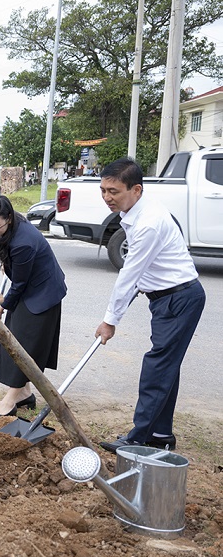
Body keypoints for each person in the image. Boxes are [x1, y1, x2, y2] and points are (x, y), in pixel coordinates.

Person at [95, 158, 205, 453]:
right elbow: (140, 274)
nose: (107, 197)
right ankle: (160, 436)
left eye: (114, 191)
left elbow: (129, 274)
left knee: (157, 367)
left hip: (179, 299)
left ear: (136, 190)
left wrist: (110, 320)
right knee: (166, 368)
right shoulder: (136, 212)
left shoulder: (148, 223)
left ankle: (137, 437)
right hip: (166, 298)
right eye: (103, 190)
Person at [0, 195, 67, 415]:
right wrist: (10, 263)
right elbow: (18, 271)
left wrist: (2, 307)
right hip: (31, 288)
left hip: (42, 294)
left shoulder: (23, 243)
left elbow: (19, 284)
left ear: (8, 218)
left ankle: (10, 401)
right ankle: (24, 394)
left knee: (24, 346)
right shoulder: (10, 227)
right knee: (14, 338)